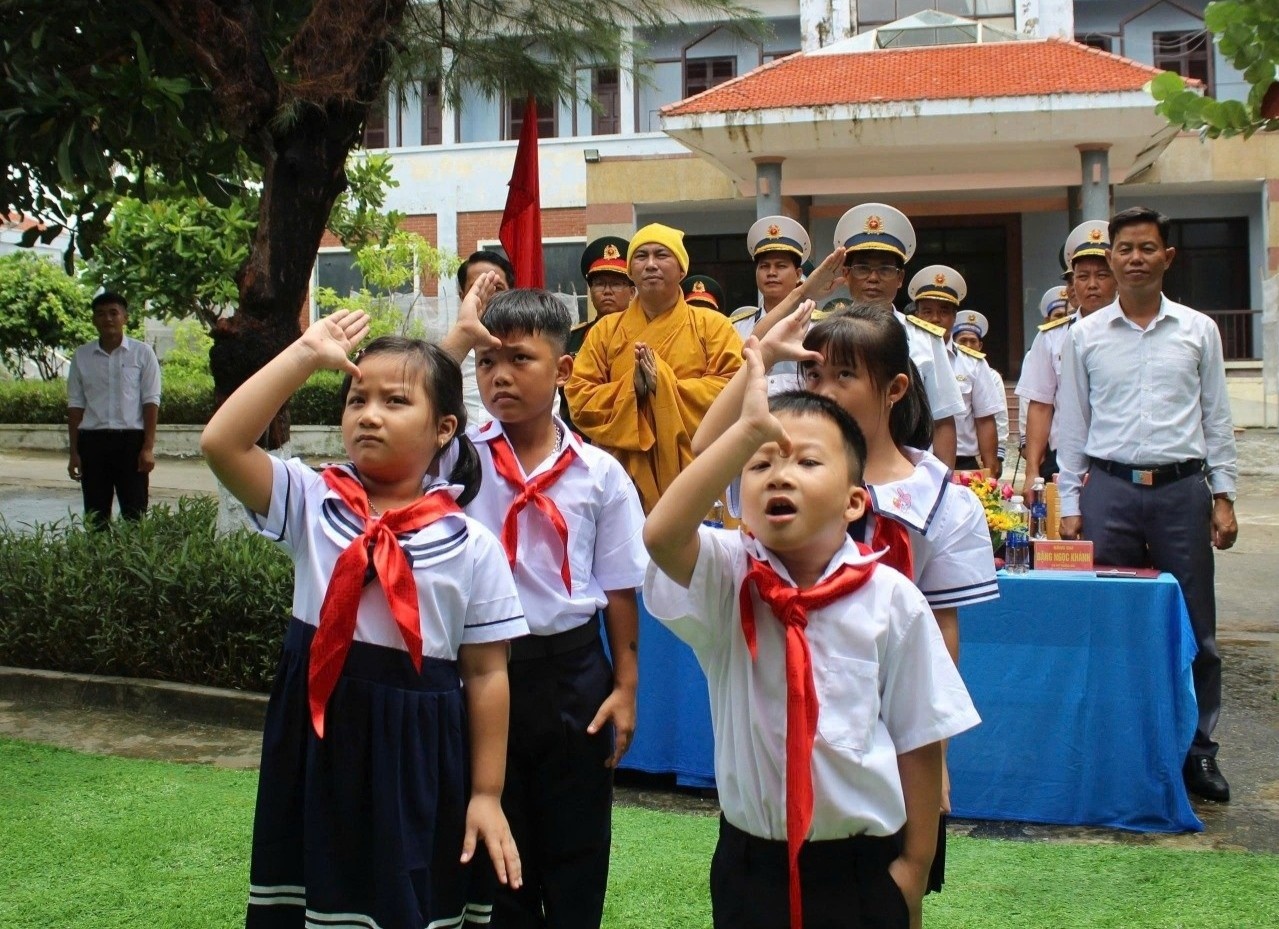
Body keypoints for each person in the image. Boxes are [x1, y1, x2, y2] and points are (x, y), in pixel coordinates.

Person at [200, 310, 527, 929]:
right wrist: (303, 355)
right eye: (357, 399)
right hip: (319, 735)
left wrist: (486, 793)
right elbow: (222, 444)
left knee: (406, 900)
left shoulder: (471, 545)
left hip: (418, 745)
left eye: (395, 401)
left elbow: (487, 675)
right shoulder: (312, 500)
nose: (369, 414)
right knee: (314, 897)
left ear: (443, 429)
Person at [644, 341, 979, 929]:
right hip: (752, 863)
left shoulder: (890, 598)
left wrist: (915, 866)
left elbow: (919, 736)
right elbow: (661, 536)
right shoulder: (730, 579)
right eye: (761, 463)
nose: (781, 476)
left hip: (861, 865)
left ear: (854, 502)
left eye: (806, 462)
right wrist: (745, 433)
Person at [441, 285, 647, 928]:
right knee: (490, 851)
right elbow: (410, 404)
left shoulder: (599, 473)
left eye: (520, 360)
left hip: (571, 672)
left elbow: (617, 587)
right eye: (486, 363)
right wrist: (453, 343)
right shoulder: (455, 456)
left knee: (577, 843)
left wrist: (626, 685)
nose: (499, 377)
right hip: (476, 668)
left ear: (562, 370)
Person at [1056, 206, 1238, 803]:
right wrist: (1070, 497)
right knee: (1110, 623)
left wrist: (1225, 494)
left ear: (1167, 257)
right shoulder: (1082, 336)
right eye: (1125, 248)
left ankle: (1198, 752)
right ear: (1109, 258)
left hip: (1183, 491)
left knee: (1195, 626)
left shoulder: (1197, 330)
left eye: (1147, 248)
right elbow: (1073, 423)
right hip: (1108, 491)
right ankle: (1120, 748)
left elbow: (1217, 416)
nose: (1135, 258)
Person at [564, 222, 743, 514]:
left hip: (695, 471)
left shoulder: (713, 326)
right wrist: (630, 389)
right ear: (631, 272)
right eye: (641, 257)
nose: (650, 265)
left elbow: (735, 389)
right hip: (620, 476)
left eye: (661, 255)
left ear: (682, 270)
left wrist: (665, 386)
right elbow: (579, 398)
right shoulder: (605, 331)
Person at [1016, 221, 1118, 497]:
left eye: (1102, 275)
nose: (1092, 285)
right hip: (1063, 459)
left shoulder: (1132, 332)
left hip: (1118, 459)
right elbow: (1040, 406)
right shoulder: (1051, 337)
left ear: (1117, 278)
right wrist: (1032, 473)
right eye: (1083, 277)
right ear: (1072, 284)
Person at [66, 291, 161, 528]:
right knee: (96, 516)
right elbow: (76, 406)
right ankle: (98, 563)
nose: (107, 318)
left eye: (113, 313)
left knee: (134, 514)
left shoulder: (142, 353)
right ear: (93, 320)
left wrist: (148, 447)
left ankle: (133, 564)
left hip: (131, 443)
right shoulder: (82, 356)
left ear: (125, 318)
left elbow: (151, 401)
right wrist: (74, 452)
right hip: (93, 444)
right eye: (100, 314)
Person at [907, 266, 1002, 476]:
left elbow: (984, 418)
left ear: (954, 317)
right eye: (927, 311)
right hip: (910, 459)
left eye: (943, 312)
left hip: (963, 464)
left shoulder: (973, 363)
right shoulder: (904, 354)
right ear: (915, 315)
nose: (935, 319)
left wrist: (990, 469)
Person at [728, 215, 811, 340]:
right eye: (764, 266)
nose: (771, 272)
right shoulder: (737, 327)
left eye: (781, 266)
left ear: (798, 274)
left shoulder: (818, 326)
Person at [951, 310, 1009, 477]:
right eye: (963, 341)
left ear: (980, 345)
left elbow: (996, 417)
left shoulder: (989, 374)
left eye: (973, 341)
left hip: (965, 458)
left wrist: (997, 456)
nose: (968, 345)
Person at [570, 236, 634, 355]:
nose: (607, 291)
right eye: (600, 284)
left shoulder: (643, 333)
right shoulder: (573, 339)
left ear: (632, 293)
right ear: (590, 291)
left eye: (616, 284)